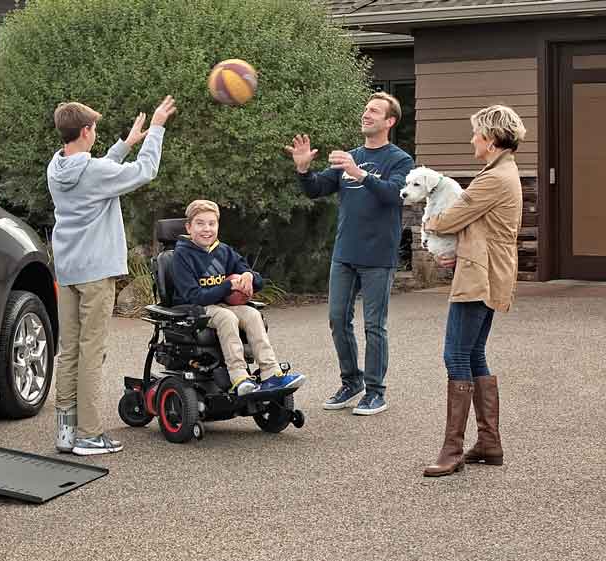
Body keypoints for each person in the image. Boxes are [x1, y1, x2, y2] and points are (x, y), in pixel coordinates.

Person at [48, 95, 177, 455]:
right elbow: (145, 172)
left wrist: (124, 144)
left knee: (69, 351)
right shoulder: (93, 171)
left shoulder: (56, 166)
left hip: (69, 270)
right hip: (95, 273)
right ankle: (88, 435)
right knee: (92, 352)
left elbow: (96, 170)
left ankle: (65, 432)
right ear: (87, 131)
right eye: (96, 129)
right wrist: (156, 129)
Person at [285, 92, 414, 415]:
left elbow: (394, 195)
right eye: (366, 109)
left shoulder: (400, 160)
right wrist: (303, 171)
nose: (366, 114)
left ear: (390, 121)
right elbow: (316, 189)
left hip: (378, 256)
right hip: (345, 253)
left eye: (374, 111)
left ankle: (375, 392)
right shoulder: (350, 156)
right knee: (337, 319)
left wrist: (359, 173)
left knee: (374, 326)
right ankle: (351, 381)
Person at [421, 105, 525, 477]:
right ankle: (489, 442)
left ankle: (452, 450)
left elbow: (449, 218)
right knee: (474, 352)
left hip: (479, 277)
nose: (472, 140)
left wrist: (431, 222)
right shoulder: (501, 172)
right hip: (489, 273)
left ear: (492, 139)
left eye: (476, 133)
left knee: (455, 355)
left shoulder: (493, 179)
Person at [171, 199, 306, 395]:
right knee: (227, 317)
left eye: (212, 223)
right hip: (195, 308)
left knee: (251, 314)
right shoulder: (181, 255)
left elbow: (255, 279)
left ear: (218, 225)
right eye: (200, 224)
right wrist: (228, 286)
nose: (206, 229)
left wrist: (249, 277)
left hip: (221, 304)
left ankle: (271, 373)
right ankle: (239, 377)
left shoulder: (224, 251)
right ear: (189, 227)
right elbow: (194, 296)